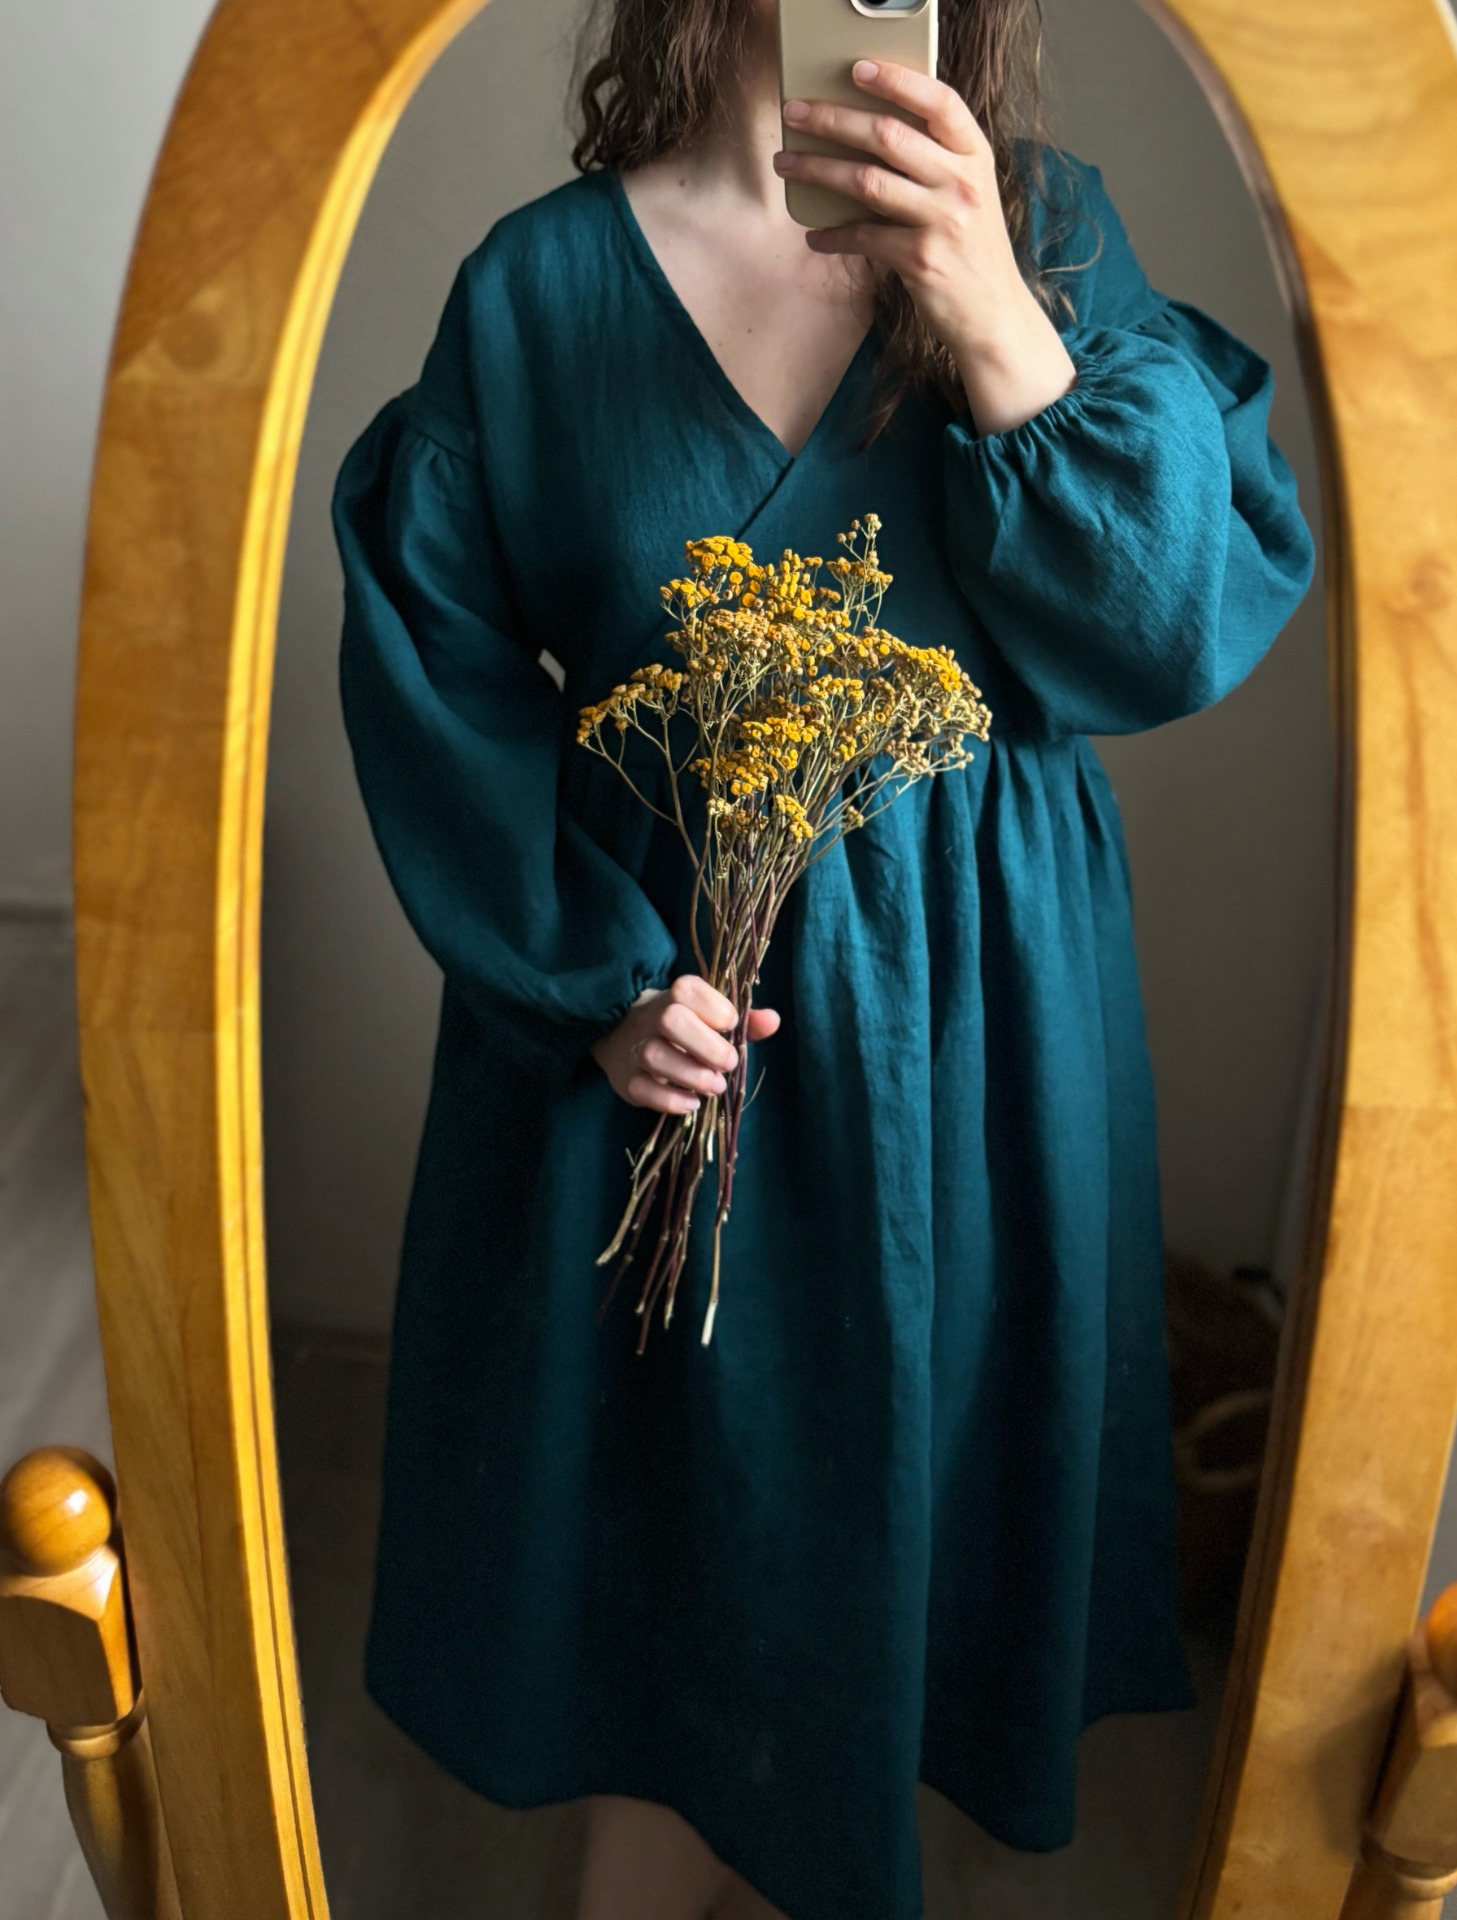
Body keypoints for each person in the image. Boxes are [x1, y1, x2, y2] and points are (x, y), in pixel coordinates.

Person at [329, 0, 1316, 1912]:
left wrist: (993, 315)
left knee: (914, 1506)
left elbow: (1167, 632)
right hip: (664, 1018)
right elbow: (433, 647)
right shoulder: (540, 290)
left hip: (980, 1020)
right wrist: (585, 982)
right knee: (670, 1535)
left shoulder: (1046, 237)